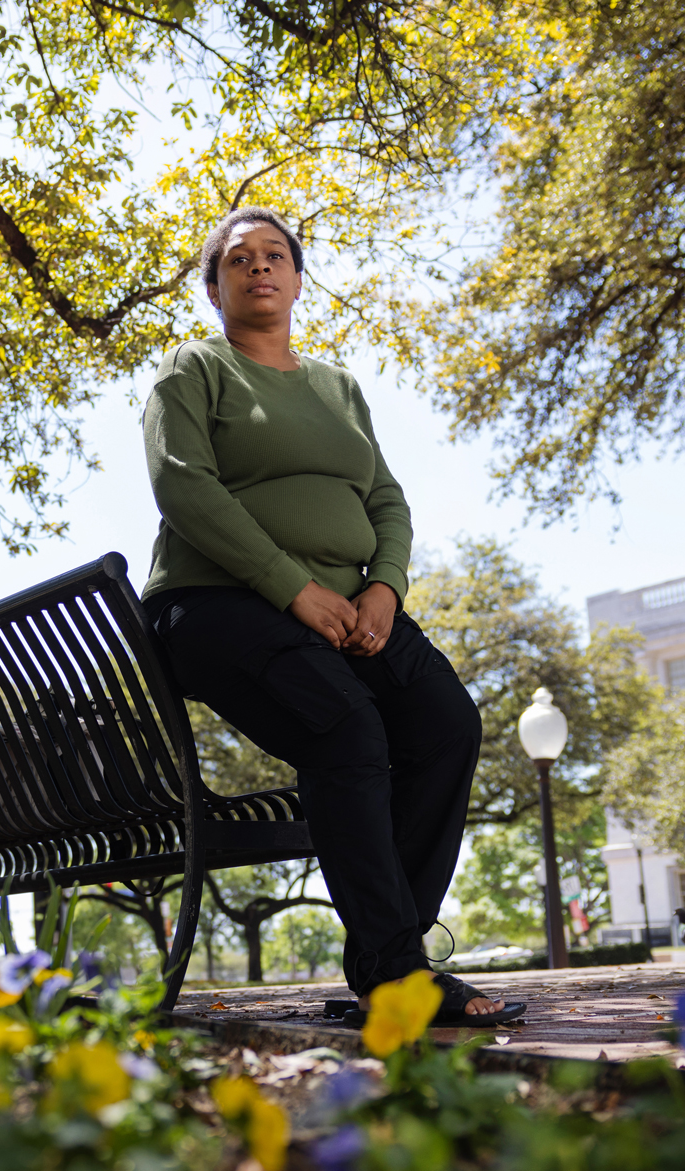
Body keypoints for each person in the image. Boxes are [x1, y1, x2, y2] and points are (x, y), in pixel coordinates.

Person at [140, 205, 517, 1023]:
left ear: (300, 280)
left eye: (276, 256)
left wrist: (384, 587)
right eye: (239, 260)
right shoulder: (193, 371)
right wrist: (291, 588)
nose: (261, 268)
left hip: (351, 608)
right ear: (214, 288)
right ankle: (394, 975)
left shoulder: (338, 387)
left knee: (446, 725)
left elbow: (386, 498)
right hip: (216, 606)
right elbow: (185, 488)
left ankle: (390, 955)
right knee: (347, 730)